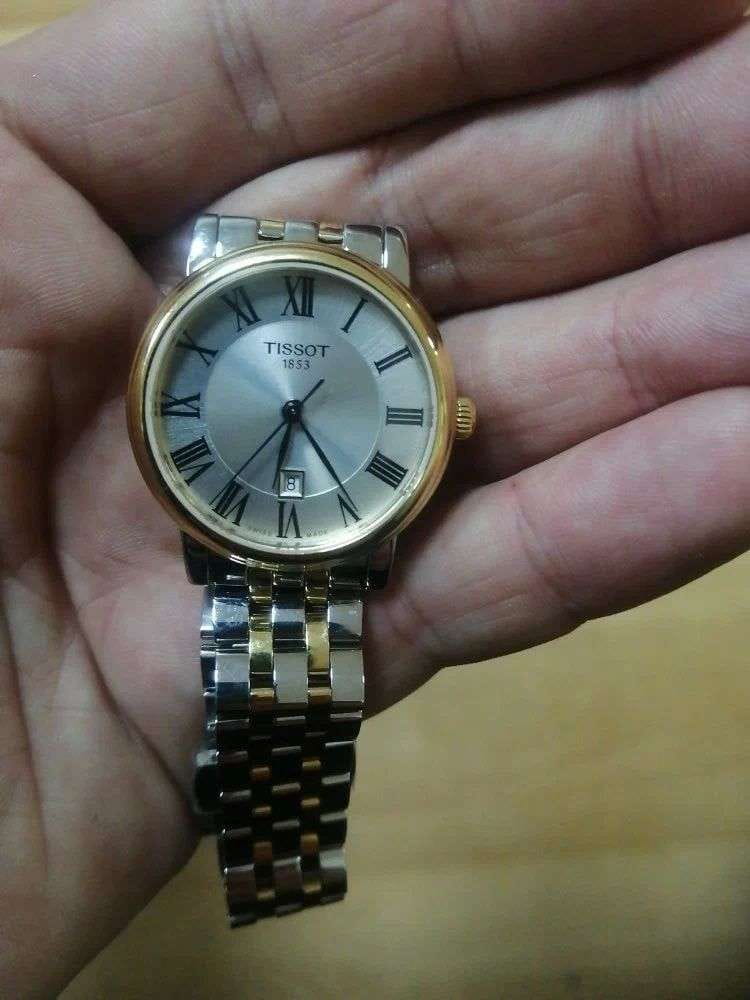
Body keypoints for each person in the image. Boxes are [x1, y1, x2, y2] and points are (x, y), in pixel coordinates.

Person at [1, 0, 749, 993]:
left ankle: (280, 868)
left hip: (309, 535)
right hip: (248, 534)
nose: (290, 400)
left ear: (449, 416)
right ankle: (278, 868)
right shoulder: (223, 324)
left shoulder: (339, 339)